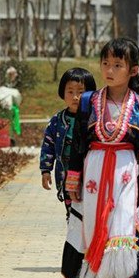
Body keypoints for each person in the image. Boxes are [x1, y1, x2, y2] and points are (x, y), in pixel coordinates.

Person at [63, 37, 139, 278]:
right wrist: (73, 177)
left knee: (124, 225)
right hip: (94, 171)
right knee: (96, 223)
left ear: (133, 70)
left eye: (117, 65)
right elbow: (78, 141)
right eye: (105, 63)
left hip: (126, 172)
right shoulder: (88, 102)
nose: (109, 69)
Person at [40, 68, 96, 221]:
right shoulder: (57, 121)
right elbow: (48, 146)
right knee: (72, 213)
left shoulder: (95, 119)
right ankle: (73, 229)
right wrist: (45, 170)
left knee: (90, 212)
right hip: (66, 176)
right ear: (62, 93)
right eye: (70, 92)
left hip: (91, 175)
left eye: (81, 92)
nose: (75, 97)